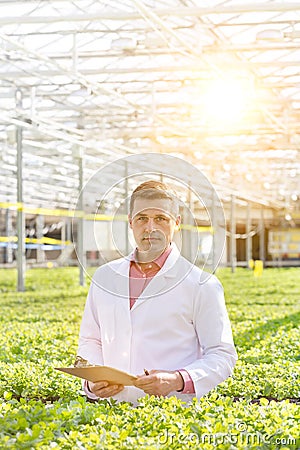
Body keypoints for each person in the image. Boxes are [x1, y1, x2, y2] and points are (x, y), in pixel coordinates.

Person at [77, 180, 237, 405]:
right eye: (142, 218)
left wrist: (177, 380)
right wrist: (91, 383)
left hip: (171, 415)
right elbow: (90, 340)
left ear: (177, 223)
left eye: (161, 219)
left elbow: (222, 355)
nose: (150, 227)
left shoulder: (202, 285)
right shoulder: (104, 277)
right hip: (110, 414)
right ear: (131, 223)